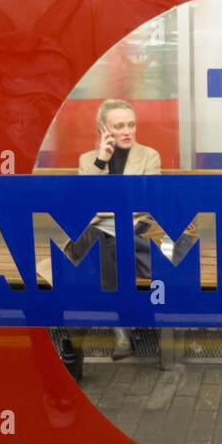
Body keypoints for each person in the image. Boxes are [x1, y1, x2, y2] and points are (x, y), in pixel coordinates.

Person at [78, 99, 161, 359]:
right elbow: (83, 207)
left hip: (136, 236)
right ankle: (122, 328)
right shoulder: (89, 161)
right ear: (104, 130)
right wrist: (102, 162)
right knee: (97, 239)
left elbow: (146, 205)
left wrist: (105, 211)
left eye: (131, 124)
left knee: (97, 242)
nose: (127, 131)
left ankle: (119, 328)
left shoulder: (149, 156)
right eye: (119, 126)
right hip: (106, 239)